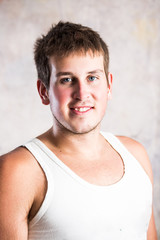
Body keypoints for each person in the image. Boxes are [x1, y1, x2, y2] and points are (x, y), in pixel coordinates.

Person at [0, 21, 157, 240]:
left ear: (109, 85)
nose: (82, 93)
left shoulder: (135, 155)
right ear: (44, 91)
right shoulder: (19, 170)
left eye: (92, 78)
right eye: (67, 80)